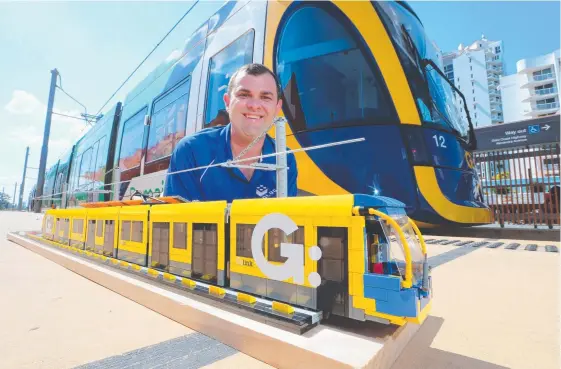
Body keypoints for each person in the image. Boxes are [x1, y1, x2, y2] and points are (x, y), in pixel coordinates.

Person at [163, 63, 298, 202]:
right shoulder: (191, 151)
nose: (254, 105)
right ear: (227, 102)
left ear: (277, 107)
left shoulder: (286, 159)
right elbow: (174, 220)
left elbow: (285, 220)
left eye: (265, 97)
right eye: (244, 95)